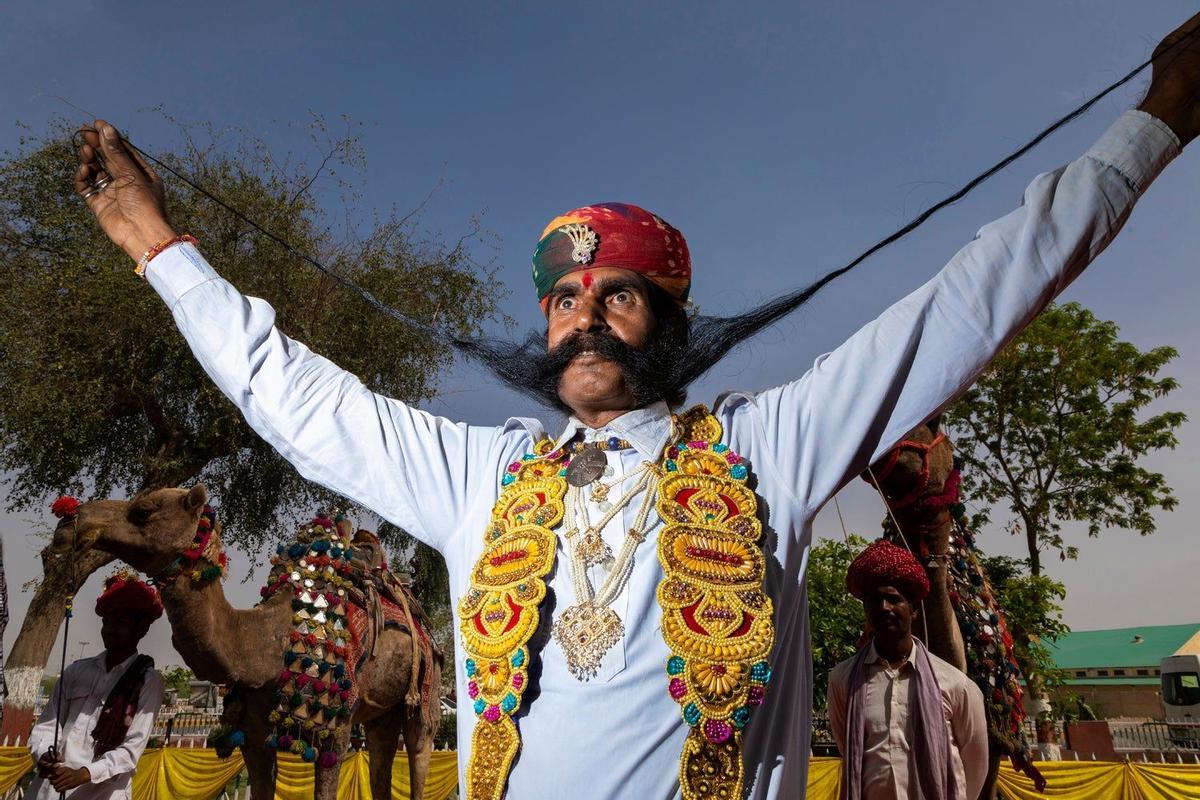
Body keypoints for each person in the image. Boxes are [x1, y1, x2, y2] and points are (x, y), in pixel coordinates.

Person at [69, 13, 1200, 799]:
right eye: (564, 297)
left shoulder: (771, 445)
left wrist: (1155, 122)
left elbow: (973, 296)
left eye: (620, 294)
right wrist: (159, 249)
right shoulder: (483, 473)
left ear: (671, 321)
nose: (587, 314)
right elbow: (292, 393)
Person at [827, 540, 987, 800]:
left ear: (913, 610)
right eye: (874, 600)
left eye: (893, 599)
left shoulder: (954, 683)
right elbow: (848, 748)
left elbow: (976, 762)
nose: (884, 608)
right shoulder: (843, 680)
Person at [27, 575, 165, 799]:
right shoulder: (75, 672)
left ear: (142, 628)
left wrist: (84, 774)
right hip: (48, 790)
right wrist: (43, 753)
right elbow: (47, 725)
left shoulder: (148, 682)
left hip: (102, 792)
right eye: (107, 622)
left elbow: (130, 751)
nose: (110, 629)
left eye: (120, 622)